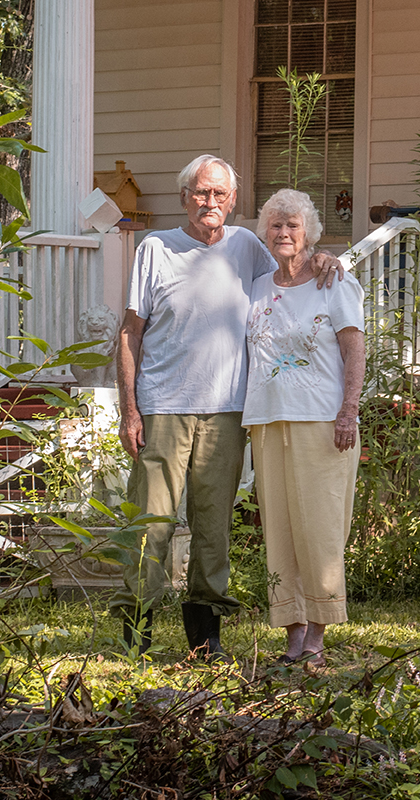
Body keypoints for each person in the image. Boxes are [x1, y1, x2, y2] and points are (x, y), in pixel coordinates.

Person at [112, 155, 339, 660]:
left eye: (219, 194)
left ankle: (204, 636)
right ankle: (135, 632)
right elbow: (130, 332)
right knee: (151, 524)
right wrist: (129, 410)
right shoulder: (156, 248)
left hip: (228, 413)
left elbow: (292, 268)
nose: (209, 202)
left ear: (233, 201)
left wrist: (323, 258)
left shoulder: (246, 247)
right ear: (183, 197)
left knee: (213, 528)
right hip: (162, 408)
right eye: (200, 192)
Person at [244, 188, 365, 665]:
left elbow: (354, 348)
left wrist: (348, 410)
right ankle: (291, 629)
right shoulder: (256, 285)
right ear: (264, 233)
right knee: (280, 529)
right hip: (267, 419)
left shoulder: (334, 282)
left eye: (293, 225)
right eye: (275, 225)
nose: (283, 232)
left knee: (320, 526)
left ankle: (317, 630)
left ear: (309, 232)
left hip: (321, 419)